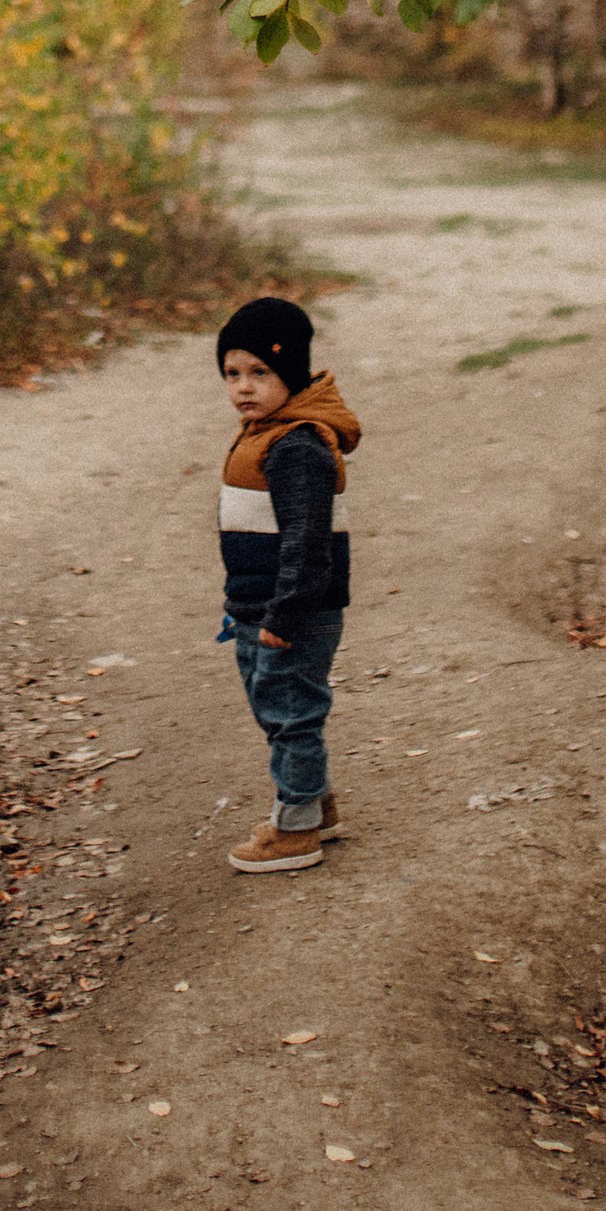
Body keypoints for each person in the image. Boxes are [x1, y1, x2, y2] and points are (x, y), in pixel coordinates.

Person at [213, 296, 361, 875]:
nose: (243, 388)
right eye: (232, 373)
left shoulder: (296, 446)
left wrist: (282, 615)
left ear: (291, 374)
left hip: (294, 612)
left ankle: (296, 829)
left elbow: (307, 545)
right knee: (280, 707)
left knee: (290, 714)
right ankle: (316, 808)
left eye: (260, 373)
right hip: (263, 607)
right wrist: (246, 608)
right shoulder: (262, 433)